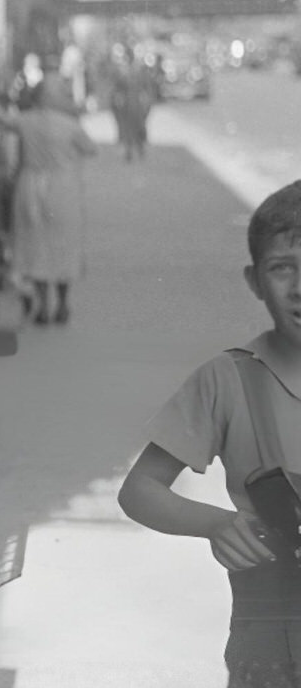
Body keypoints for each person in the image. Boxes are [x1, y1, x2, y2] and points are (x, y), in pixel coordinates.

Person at [118, 180, 301, 688]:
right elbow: (140, 489)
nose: (300, 287)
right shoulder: (228, 380)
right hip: (269, 644)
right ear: (254, 280)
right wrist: (217, 525)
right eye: (282, 267)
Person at [0, 75, 97, 324]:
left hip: (30, 185)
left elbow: (1, 119)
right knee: (64, 244)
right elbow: (90, 149)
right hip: (64, 188)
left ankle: (43, 305)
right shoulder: (70, 125)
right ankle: (63, 304)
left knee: (36, 244)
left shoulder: (25, 121)